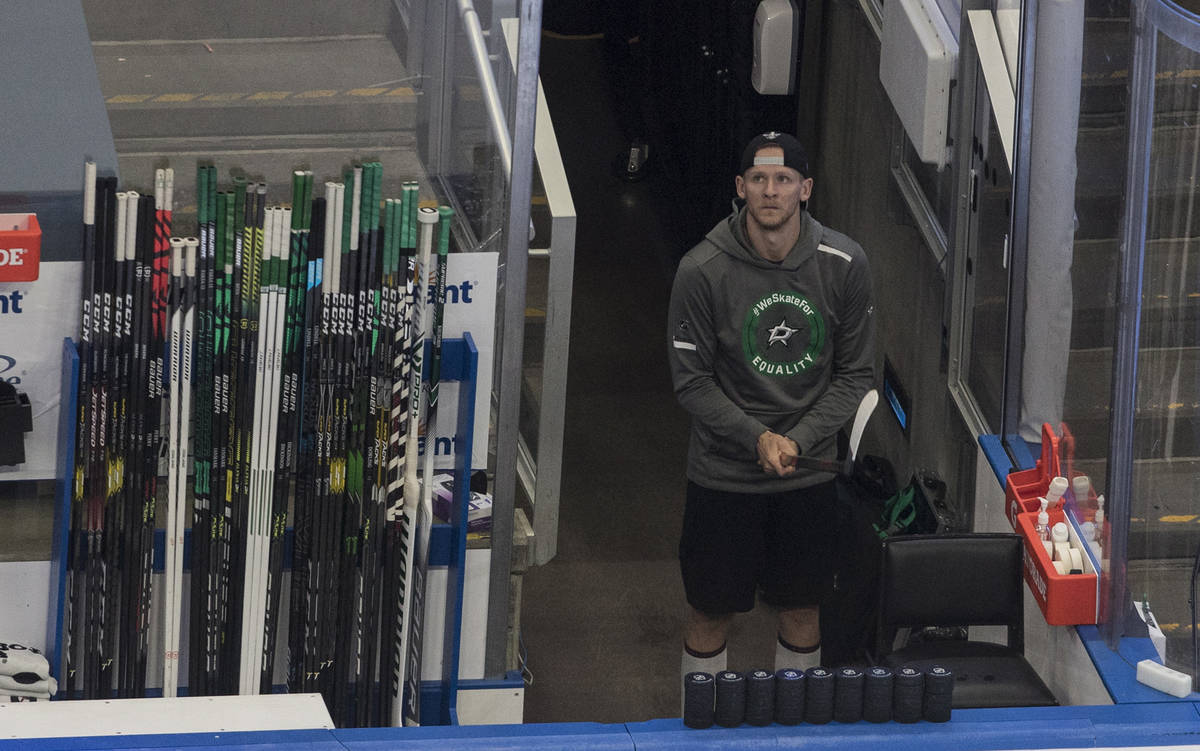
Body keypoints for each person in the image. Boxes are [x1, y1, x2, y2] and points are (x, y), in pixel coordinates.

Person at [667, 132, 876, 682]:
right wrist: (757, 438)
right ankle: (699, 737)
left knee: (804, 611)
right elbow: (691, 383)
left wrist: (798, 441)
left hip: (806, 478)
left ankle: (795, 735)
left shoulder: (845, 264)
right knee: (709, 613)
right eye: (758, 179)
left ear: (805, 189)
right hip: (723, 476)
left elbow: (856, 374)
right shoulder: (701, 269)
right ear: (740, 188)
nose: (770, 191)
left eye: (783, 179)